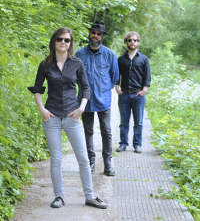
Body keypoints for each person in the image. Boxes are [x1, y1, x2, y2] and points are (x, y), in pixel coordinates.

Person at [28, 27, 108, 209]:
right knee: (56, 159)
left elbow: (86, 88)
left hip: (72, 116)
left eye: (67, 40)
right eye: (60, 39)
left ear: (71, 43)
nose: (63, 43)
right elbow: (38, 89)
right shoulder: (45, 64)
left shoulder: (77, 63)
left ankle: (90, 196)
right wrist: (42, 110)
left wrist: (81, 108)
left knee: (83, 158)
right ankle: (59, 197)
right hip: (52, 117)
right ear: (54, 42)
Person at [76, 21, 119, 176]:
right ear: (90, 34)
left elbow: (114, 78)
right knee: (87, 131)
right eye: (93, 32)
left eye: (98, 33)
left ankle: (107, 163)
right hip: (84, 100)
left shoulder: (110, 55)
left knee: (106, 131)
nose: (95, 35)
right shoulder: (79, 54)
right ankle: (90, 161)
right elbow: (75, 77)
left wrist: (102, 89)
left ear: (102, 36)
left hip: (103, 100)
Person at [115, 31, 151, 153]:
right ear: (126, 42)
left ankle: (137, 144)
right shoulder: (120, 59)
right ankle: (123, 143)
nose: (132, 42)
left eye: (135, 40)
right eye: (130, 40)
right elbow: (117, 74)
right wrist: (117, 87)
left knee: (138, 122)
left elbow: (147, 75)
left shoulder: (144, 59)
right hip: (124, 94)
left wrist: (144, 89)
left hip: (138, 94)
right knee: (123, 121)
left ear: (138, 42)